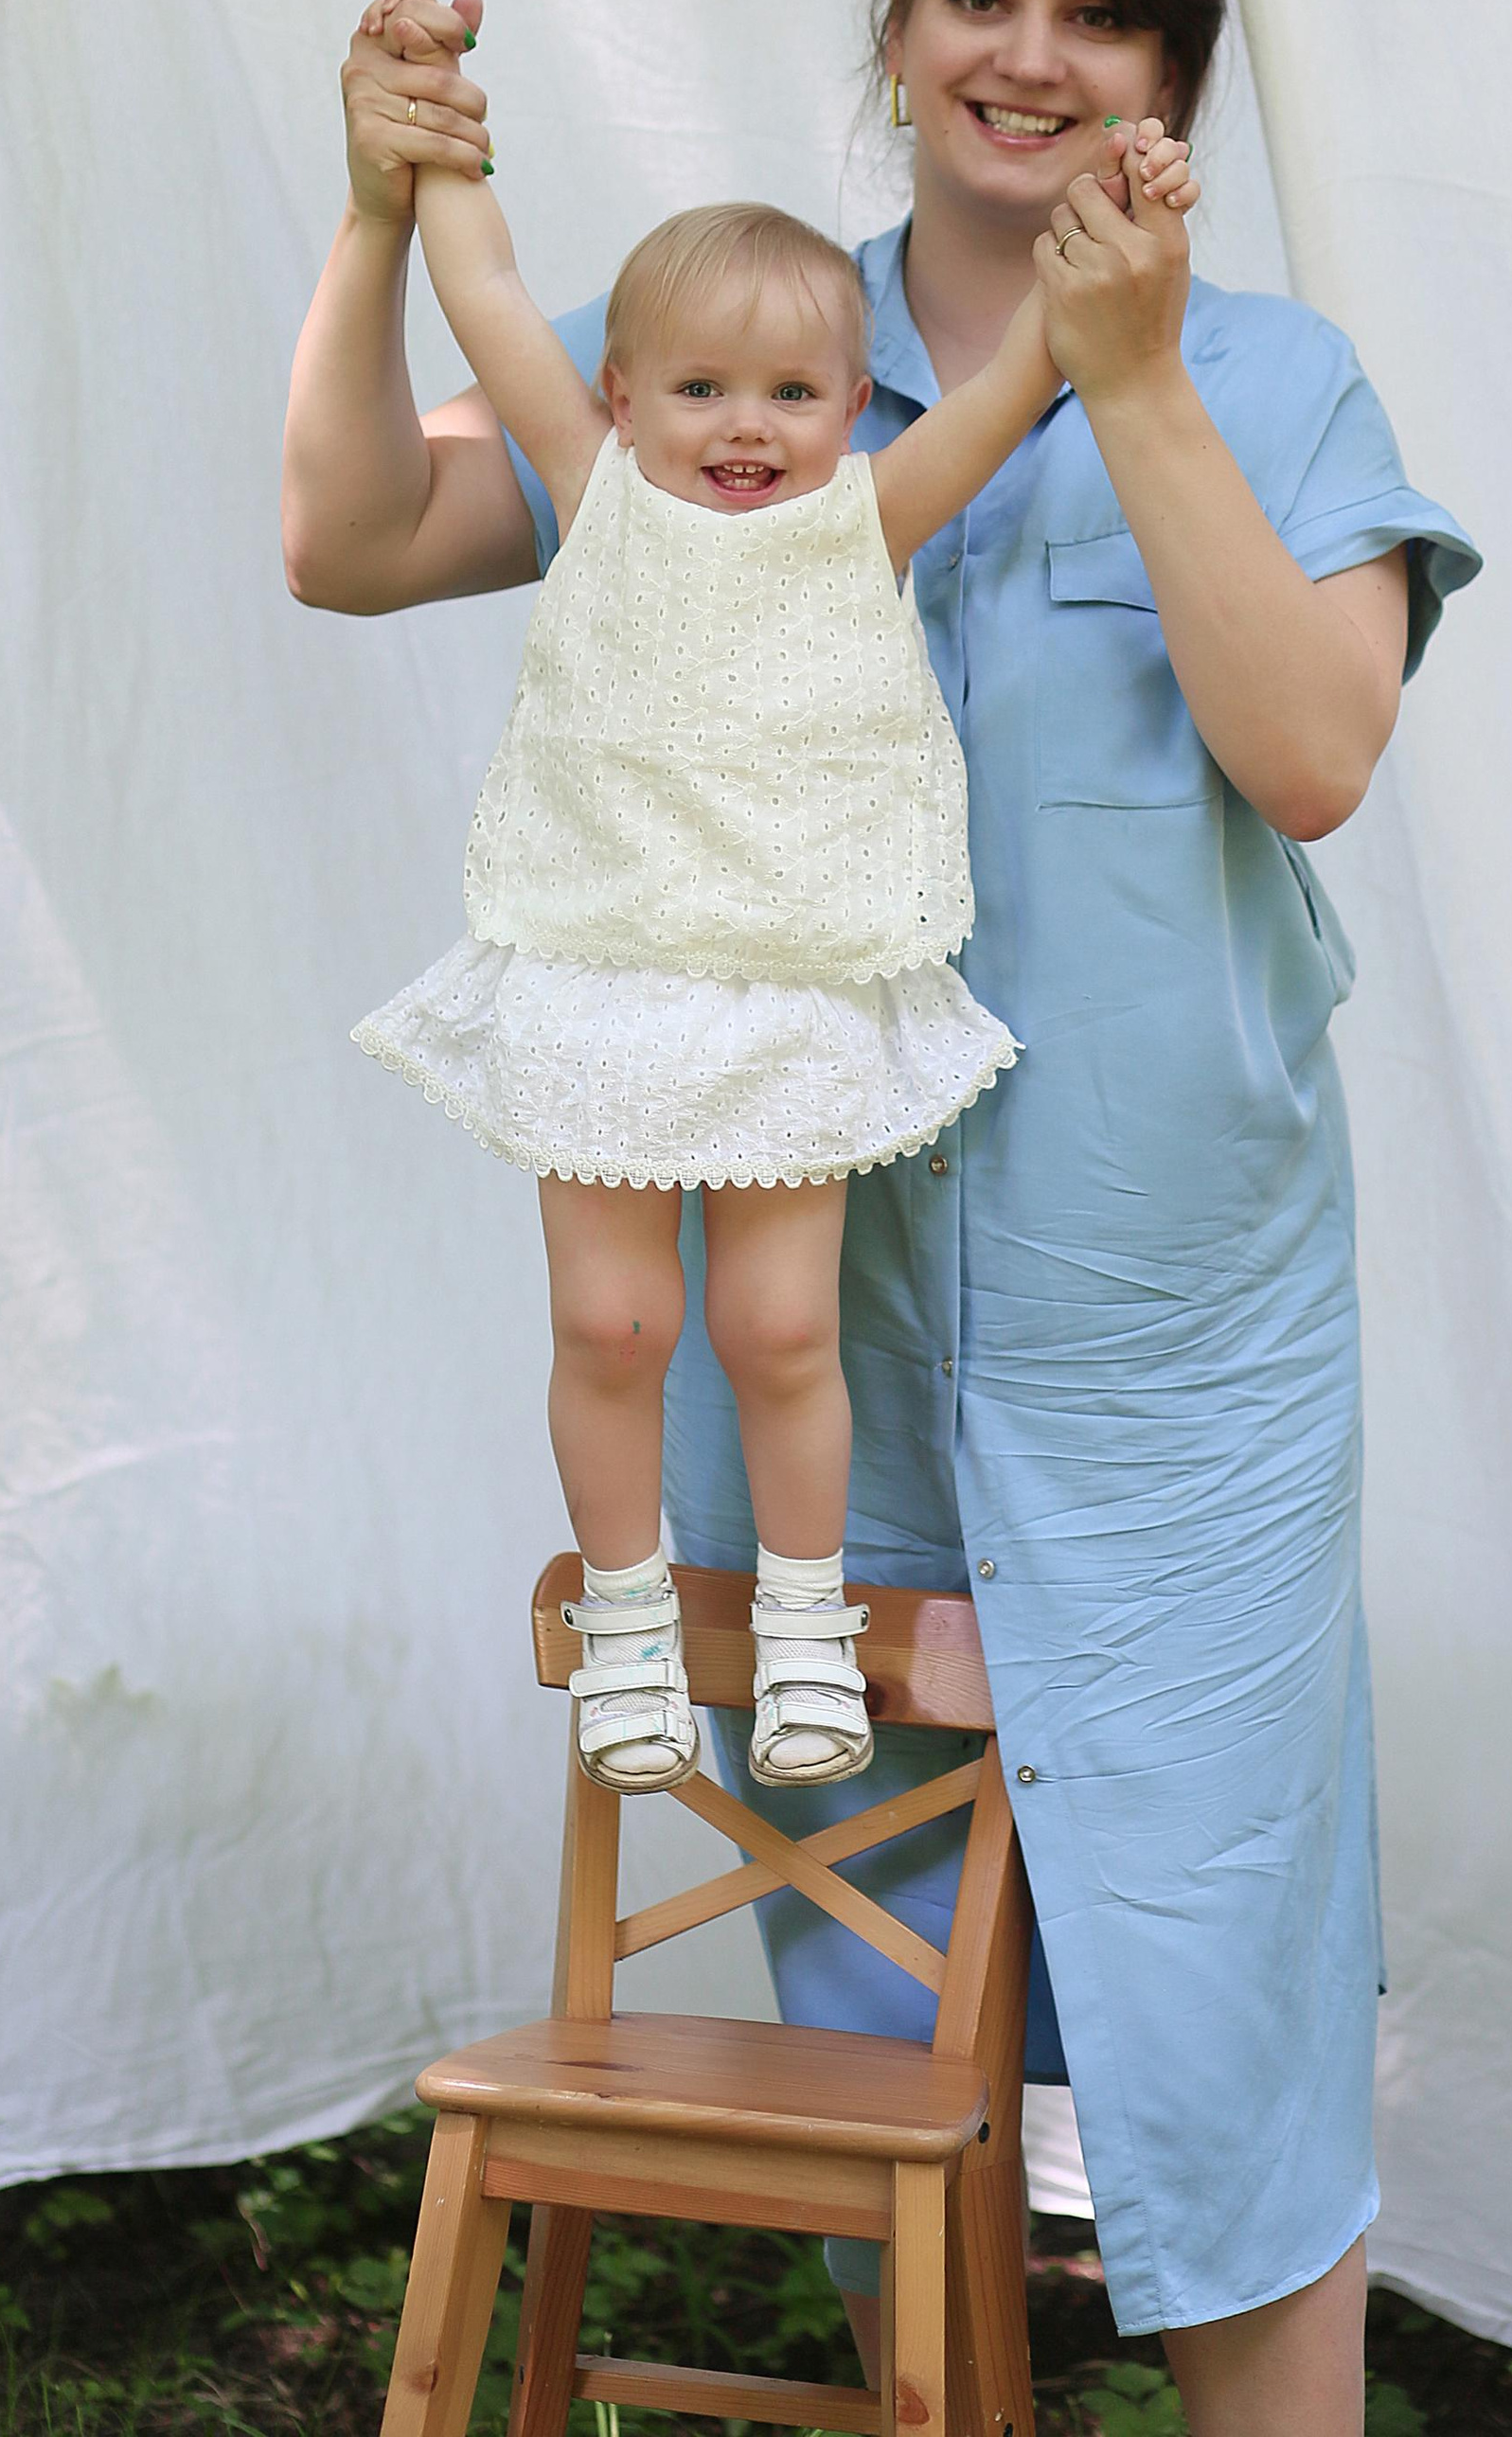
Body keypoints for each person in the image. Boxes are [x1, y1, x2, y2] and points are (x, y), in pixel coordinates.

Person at [280, 0, 1478, 2437]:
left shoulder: (1277, 380)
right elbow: (355, 538)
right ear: (899, 27)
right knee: (868, 1991)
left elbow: (1309, 759)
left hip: (1176, 1343)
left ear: (1177, 68)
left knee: (1218, 1972)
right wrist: (379, 221)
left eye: (1098, 10)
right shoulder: (731, 338)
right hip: (808, 1328)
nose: (1028, 55)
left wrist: (1126, 373)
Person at [354, 136, 1192, 1794]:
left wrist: (1115, 213)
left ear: (855, 405)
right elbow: (489, 292)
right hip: (605, 976)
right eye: (703, 388)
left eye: (798, 391)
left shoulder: (863, 521)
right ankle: (625, 1618)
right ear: (621, 396)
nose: (749, 425)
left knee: (780, 1329)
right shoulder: (594, 499)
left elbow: (1031, 357)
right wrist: (437, 138)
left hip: (795, 986)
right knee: (610, 1324)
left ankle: (806, 1625)